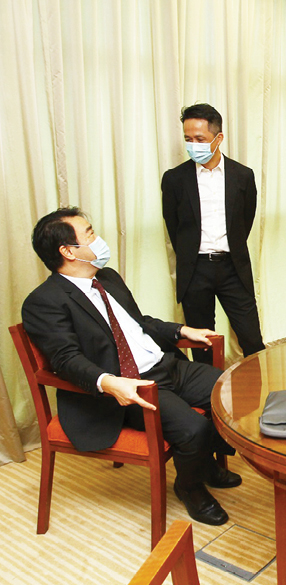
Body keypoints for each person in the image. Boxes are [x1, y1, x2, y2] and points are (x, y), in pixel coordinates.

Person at [22, 208, 241, 526]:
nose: (98, 240)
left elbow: (138, 324)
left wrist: (181, 331)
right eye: (90, 234)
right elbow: (65, 359)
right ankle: (189, 487)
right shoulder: (45, 301)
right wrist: (109, 382)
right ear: (68, 251)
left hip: (165, 366)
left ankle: (202, 463)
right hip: (129, 386)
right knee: (194, 428)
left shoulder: (106, 278)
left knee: (234, 391)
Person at [162, 103, 264, 364]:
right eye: (188, 139)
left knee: (252, 340)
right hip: (195, 270)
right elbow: (174, 227)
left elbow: (245, 221)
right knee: (202, 346)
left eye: (200, 139)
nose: (193, 144)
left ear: (218, 138)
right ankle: (208, 402)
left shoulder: (242, 176)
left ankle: (259, 399)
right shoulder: (174, 179)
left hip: (233, 268)